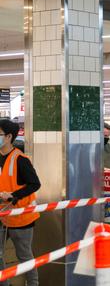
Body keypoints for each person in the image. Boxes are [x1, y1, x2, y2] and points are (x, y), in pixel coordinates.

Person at [0, 119, 41, 286]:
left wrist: (14, 195)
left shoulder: (20, 159)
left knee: (24, 255)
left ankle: (33, 284)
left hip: (21, 217)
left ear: (8, 136)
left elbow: (35, 184)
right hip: (2, 215)